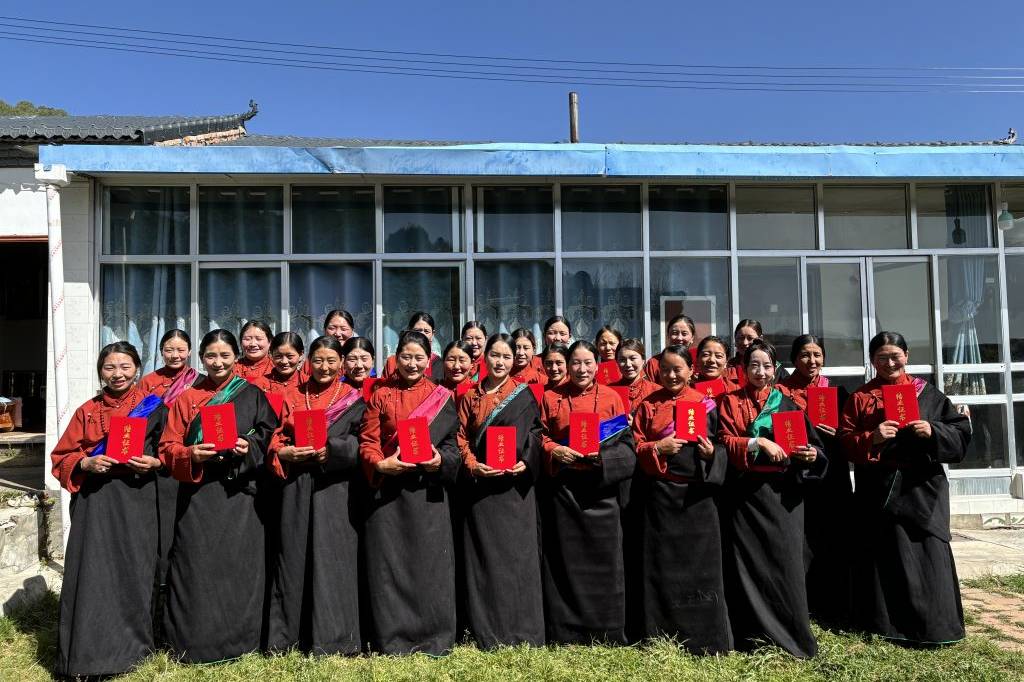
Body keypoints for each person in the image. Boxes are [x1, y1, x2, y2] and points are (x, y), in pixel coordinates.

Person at [839, 331, 970, 646]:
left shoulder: (929, 394)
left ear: (907, 356)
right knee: (885, 555)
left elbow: (960, 431)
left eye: (895, 355)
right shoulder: (861, 397)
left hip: (923, 489)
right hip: (879, 491)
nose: (889, 362)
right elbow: (843, 441)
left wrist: (933, 430)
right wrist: (872, 438)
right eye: (881, 357)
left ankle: (936, 627)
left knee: (930, 552)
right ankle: (887, 626)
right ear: (872, 361)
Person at [50, 342, 169, 677]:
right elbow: (62, 457)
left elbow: (170, 452)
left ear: (137, 368)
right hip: (96, 503)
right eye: (110, 368)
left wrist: (154, 461)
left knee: (134, 571)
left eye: (125, 367)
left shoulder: (154, 407)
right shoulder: (87, 410)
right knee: (92, 574)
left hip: (137, 500)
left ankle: (132, 651)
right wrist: (86, 461)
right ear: (100, 370)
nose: (117, 374)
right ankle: (86, 656)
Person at [158, 329, 278, 663]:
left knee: (239, 567)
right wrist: (191, 454)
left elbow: (270, 433)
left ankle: (242, 641)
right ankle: (193, 644)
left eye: (225, 356)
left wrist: (249, 445)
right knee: (195, 565)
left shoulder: (252, 394)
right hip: (198, 497)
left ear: (236, 357)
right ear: (201, 358)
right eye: (211, 356)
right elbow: (168, 448)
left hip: (241, 497)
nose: (218, 362)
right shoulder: (186, 398)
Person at [717, 339, 825, 659]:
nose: (760, 372)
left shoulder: (788, 404)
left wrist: (809, 455)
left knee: (785, 564)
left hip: (783, 497)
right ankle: (751, 635)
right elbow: (724, 441)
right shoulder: (730, 402)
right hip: (745, 496)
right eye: (754, 365)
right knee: (747, 566)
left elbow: (815, 450)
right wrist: (758, 442)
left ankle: (790, 633)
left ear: (775, 369)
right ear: (744, 368)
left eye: (767, 366)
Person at [358, 330, 461, 655]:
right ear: (396, 358)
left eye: (419, 357)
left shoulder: (442, 397)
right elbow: (368, 440)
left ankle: (434, 636)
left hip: (427, 494)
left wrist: (439, 461)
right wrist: (379, 464)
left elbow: (452, 447)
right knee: (389, 567)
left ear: (429, 360)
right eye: (406, 357)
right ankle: (392, 637)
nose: (412, 363)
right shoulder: (380, 394)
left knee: (430, 566)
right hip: (387, 494)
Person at [267, 336, 365, 655]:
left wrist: (332, 450)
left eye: (332, 361)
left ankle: (336, 638)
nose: (324, 367)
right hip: (296, 484)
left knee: (334, 558)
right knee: (293, 556)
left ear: (341, 364)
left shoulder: (353, 397)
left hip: (336, 488)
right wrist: (284, 451)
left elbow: (361, 443)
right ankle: (288, 637)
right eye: (319, 361)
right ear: (308, 362)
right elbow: (274, 437)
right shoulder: (291, 394)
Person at [630, 344, 732, 654]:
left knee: (702, 567)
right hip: (660, 497)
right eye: (665, 370)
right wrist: (657, 449)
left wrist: (712, 453)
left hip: (698, 500)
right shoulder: (648, 405)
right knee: (661, 566)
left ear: (691, 370)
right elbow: (634, 445)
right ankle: (661, 633)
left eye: (678, 369)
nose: (672, 375)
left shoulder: (707, 404)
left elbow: (724, 445)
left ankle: (705, 637)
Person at [539, 340, 635, 644]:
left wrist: (603, 458)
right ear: (567, 365)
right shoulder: (551, 397)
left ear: (597, 365)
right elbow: (537, 435)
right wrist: (554, 450)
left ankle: (606, 631)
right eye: (575, 363)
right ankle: (567, 631)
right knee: (564, 563)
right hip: (564, 491)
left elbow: (626, 445)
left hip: (601, 491)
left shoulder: (611, 397)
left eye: (587, 362)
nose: (581, 369)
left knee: (605, 562)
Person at [455, 334, 545, 648]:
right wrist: (471, 465)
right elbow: (461, 437)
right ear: (485, 357)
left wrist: (527, 461)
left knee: (516, 560)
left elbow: (536, 434)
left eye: (506, 357)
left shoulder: (524, 396)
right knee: (484, 559)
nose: (500, 362)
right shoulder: (470, 396)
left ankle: (523, 630)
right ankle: (485, 631)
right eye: (495, 355)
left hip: (514, 492)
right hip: (481, 489)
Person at [779, 334, 854, 626]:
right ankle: (802, 604)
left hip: (831, 475)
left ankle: (832, 606)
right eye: (805, 355)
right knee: (801, 538)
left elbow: (851, 433)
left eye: (817, 355)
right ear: (794, 359)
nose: (812, 361)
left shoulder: (837, 392)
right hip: (795, 474)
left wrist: (841, 437)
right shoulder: (781, 393)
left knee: (831, 537)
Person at [381, 312, 445, 380]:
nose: (422, 335)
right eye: (417, 330)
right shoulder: (392, 361)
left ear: (433, 334)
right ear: (409, 330)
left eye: (426, 331)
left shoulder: (437, 362)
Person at [138, 328, 199, 398]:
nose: (175, 356)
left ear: (189, 352)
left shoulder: (198, 380)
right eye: (169, 350)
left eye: (181, 350)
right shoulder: (148, 381)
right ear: (161, 352)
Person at [726, 319, 789, 385]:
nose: (745, 343)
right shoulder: (728, 366)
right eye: (741, 338)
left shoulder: (776, 369)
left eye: (750, 338)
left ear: (760, 339)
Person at [611, 338, 660, 416]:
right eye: (622, 359)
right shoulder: (609, 391)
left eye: (633, 358)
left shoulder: (657, 391)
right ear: (617, 362)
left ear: (643, 360)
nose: (628, 364)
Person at [643, 314, 697, 382]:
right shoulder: (654, 363)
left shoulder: (698, 363)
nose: (679, 338)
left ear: (692, 338)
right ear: (668, 336)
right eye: (675, 333)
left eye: (684, 334)